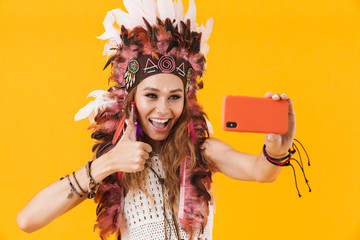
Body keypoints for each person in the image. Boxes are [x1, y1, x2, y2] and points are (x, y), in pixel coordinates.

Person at [16, 0, 297, 239]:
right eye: (151, 95)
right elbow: (27, 221)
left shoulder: (201, 151)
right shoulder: (113, 164)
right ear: (132, 98)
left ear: (186, 101)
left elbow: (261, 172)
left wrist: (276, 148)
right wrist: (108, 164)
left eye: (174, 97)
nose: (163, 110)